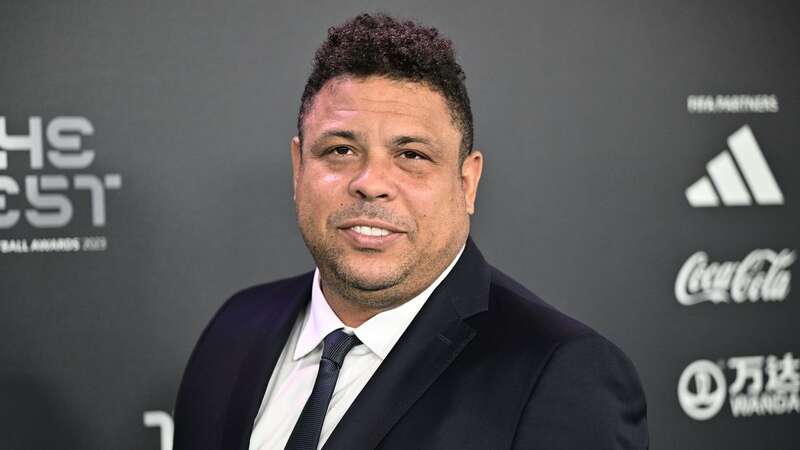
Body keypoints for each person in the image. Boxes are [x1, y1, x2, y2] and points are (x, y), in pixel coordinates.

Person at [173, 13, 649, 450]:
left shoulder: (560, 375)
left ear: (466, 183)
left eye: (412, 155)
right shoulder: (234, 328)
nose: (371, 183)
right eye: (340, 150)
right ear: (299, 168)